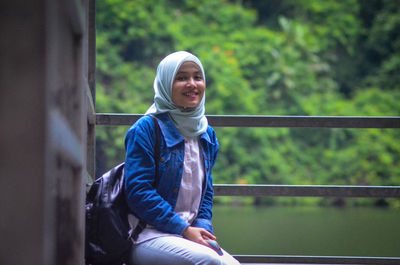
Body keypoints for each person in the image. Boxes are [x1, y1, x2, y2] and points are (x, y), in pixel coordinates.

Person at [124, 51, 241, 265]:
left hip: (186, 234)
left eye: (197, 77)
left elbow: (206, 193)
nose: (192, 84)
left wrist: (202, 229)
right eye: (181, 78)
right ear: (166, 84)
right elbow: (138, 193)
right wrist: (184, 229)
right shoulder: (146, 129)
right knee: (210, 263)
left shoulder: (206, 133)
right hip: (147, 235)